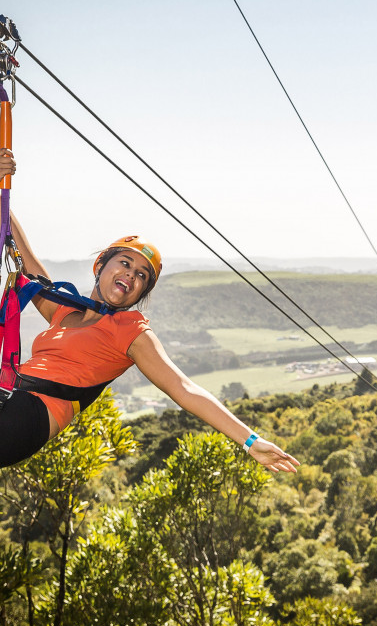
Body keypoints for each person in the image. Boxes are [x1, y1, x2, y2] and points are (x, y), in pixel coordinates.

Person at [0, 149, 299, 475]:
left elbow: (184, 389)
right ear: (100, 265)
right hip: (10, 397)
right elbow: (25, 258)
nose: (131, 274)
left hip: (28, 414)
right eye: (125, 263)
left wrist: (250, 441)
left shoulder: (132, 331)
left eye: (142, 275)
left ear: (142, 291)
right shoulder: (66, 311)